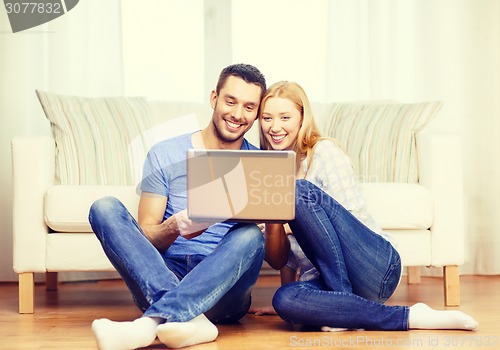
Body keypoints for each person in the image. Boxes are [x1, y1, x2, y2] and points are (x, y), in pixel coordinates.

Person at [256, 80, 478, 332]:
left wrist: (289, 225)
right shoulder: (271, 173)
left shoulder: (324, 152)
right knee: (284, 300)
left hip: (374, 266)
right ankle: (407, 316)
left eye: (285, 117)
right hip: (327, 282)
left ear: (302, 118)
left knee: (298, 192)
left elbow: (348, 222)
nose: (275, 127)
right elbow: (287, 260)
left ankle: (341, 304)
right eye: (267, 118)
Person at [88, 63, 267, 350]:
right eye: (230, 101)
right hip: (164, 273)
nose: (237, 114)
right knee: (104, 208)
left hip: (224, 289)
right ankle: (190, 321)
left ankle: (149, 324)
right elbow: (147, 236)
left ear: (257, 114)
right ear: (214, 98)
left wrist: (267, 223)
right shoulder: (165, 153)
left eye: (249, 107)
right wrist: (175, 226)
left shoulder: (263, 165)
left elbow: (271, 250)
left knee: (251, 236)